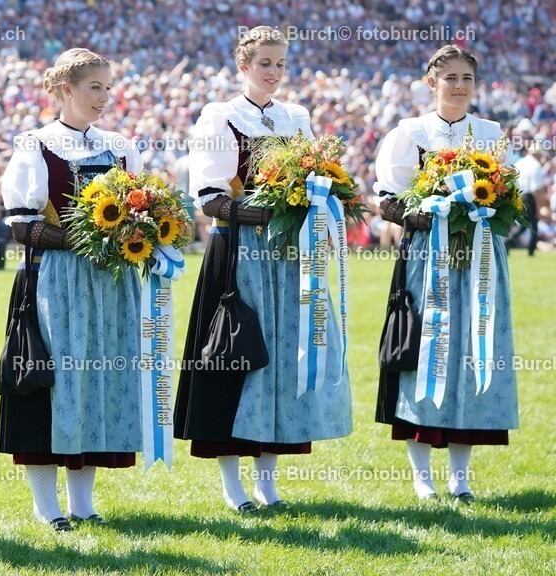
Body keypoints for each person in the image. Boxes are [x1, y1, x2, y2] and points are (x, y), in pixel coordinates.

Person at [174, 26, 352, 513]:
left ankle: (267, 483)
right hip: (238, 255)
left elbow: (315, 180)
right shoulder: (220, 117)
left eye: (280, 63)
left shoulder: (296, 117)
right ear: (243, 65)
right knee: (236, 357)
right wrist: (268, 210)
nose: (273, 72)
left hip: (290, 258)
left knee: (278, 365)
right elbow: (210, 199)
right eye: (264, 64)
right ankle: (232, 485)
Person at [0, 48, 143, 531]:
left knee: (97, 383)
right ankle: (46, 505)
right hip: (53, 281)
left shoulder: (120, 147)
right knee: (50, 382)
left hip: (109, 285)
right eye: (94, 87)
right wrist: (89, 238)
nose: (104, 96)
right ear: (65, 90)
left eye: (107, 87)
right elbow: (21, 225)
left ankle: (83, 503)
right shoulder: (36, 146)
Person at [374, 45, 518, 503]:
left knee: (473, 353)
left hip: (480, 257)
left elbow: (509, 201)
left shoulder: (491, 133)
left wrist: (485, 211)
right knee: (425, 351)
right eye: (450, 77)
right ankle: (422, 475)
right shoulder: (410, 133)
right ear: (432, 82)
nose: (458, 86)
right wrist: (430, 216)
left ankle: (460, 476)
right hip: (426, 258)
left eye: (466, 78)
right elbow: (387, 201)